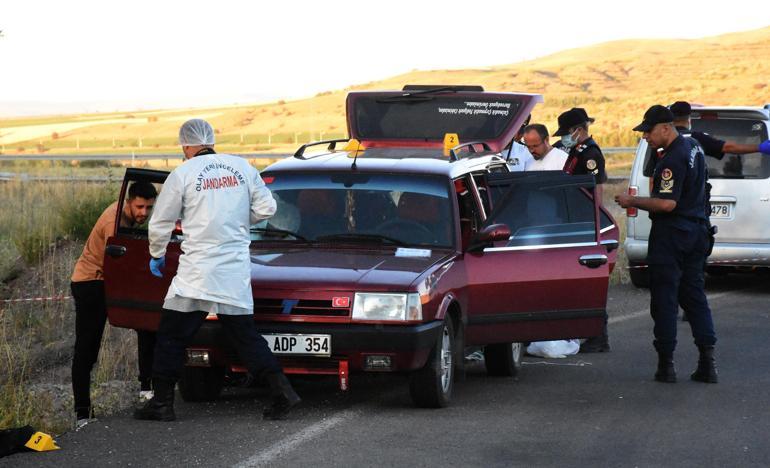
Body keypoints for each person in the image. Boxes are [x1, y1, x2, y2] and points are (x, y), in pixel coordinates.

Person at [134, 119, 300, 422]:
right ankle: (282, 393)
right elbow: (268, 209)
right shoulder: (242, 168)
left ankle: (161, 403)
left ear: (186, 145)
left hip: (197, 273)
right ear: (211, 140)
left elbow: (160, 221)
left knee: (171, 335)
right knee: (246, 336)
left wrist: (156, 254)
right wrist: (237, 221)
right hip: (234, 272)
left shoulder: (183, 174)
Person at [615, 105, 717, 384]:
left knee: (665, 298)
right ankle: (707, 362)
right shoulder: (693, 146)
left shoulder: (672, 159)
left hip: (673, 235)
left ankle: (666, 365)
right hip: (697, 232)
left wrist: (631, 201)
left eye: (648, 131)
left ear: (665, 127)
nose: (645, 136)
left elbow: (667, 203)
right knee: (694, 295)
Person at [71, 181, 158, 428]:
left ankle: (147, 389)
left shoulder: (130, 219)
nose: (144, 213)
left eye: (149, 208)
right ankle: (82, 414)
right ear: (129, 202)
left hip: (112, 280)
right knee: (87, 348)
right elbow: (119, 261)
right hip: (90, 283)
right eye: (140, 207)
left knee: (147, 324)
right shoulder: (114, 221)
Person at [553, 107, 609, 352]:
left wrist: (595, 223)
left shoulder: (591, 154)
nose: (564, 137)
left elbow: (595, 190)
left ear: (577, 130)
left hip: (583, 222)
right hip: (570, 220)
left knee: (589, 281)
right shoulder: (573, 149)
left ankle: (599, 337)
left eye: (567, 133)